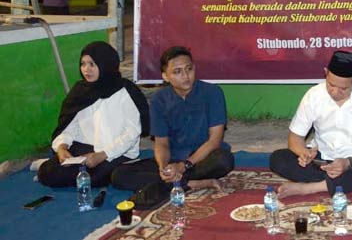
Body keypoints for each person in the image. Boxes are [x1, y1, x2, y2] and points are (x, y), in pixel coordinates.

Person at [111, 46, 234, 204]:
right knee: (119, 175)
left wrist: (184, 166)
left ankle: (171, 183)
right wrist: (164, 168)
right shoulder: (159, 100)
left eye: (188, 69)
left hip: (202, 158)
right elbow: (161, 143)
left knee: (224, 160)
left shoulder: (212, 92)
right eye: (177, 72)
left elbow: (214, 140)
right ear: (165, 76)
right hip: (174, 158)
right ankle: (190, 183)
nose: (185, 76)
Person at [269, 50, 352, 198]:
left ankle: (309, 188)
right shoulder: (314, 95)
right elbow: (294, 137)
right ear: (325, 73)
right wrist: (304, 153)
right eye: (331, 85)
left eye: (343, 88)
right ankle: (350, 184)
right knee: (278, 159)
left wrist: (348, 163)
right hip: (322, 161)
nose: (335, 92)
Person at [38, 41, 150, 188]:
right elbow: (71, 126)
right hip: (86, 147)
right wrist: (62, 147)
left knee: (97, 177)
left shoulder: (125, 92)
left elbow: (132, 133)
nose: (86, 69)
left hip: (116, 151)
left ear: (105, 64)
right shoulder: (81, 90)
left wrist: (102, 155)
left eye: (92, 64)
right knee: (48, 173)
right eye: (83, 64)